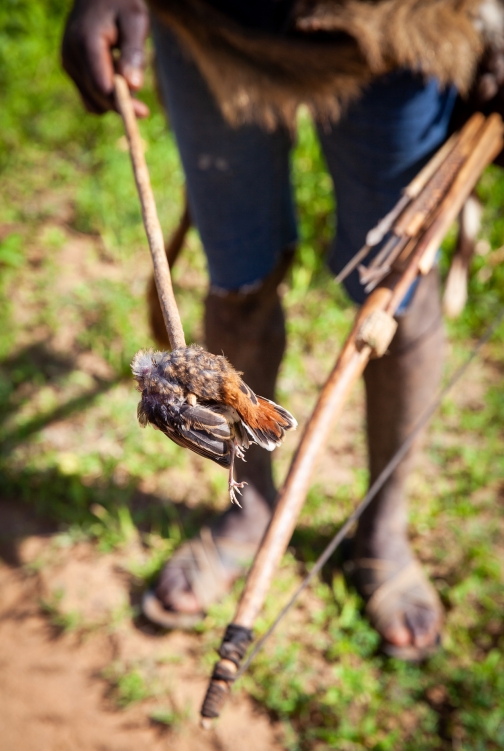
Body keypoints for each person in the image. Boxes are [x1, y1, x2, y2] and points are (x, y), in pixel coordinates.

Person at [62, 0, 504, 659]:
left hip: (404, 25)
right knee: (236, 283)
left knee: (399, 295)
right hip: (209, 21)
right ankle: (248, 508)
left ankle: (382, 531)